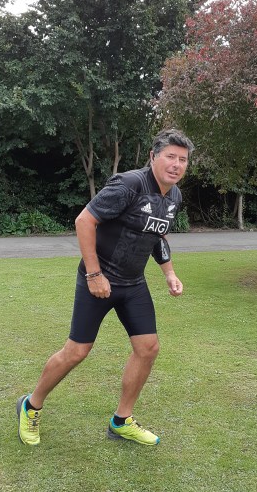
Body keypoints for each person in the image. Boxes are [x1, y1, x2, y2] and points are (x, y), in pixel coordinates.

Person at [17, 128, 194, 446]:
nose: (176, 164)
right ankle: (31, 405)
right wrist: (94, 275)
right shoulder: (129, 184)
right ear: (153, 157)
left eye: (183, 160)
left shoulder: (174, 197)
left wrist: (169, 273)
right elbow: (84, 221)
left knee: (148, 348)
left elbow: (157, 236)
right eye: (171, 156)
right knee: (76, 352)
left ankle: (121, 421)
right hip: (98, 280)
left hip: (133, 284)